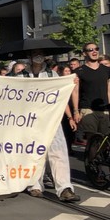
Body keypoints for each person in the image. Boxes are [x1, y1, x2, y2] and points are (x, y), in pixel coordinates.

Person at [12, 49, 80, 202]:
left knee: (58, 152)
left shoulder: (52, 75)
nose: (38, 57)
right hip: (29, 121)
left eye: (41, 54)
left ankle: (64, 188)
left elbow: (60, 95)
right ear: (30, 57)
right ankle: (34, 184)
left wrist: (70, 84)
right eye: (35, 54)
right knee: (33, 152)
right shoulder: (21, 76)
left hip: (51, 119)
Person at [72, 42, 110, 125]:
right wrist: (76, 111)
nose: (94, 51)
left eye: (96, 49)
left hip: (104, 110)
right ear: (84, 53)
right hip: (87, 110)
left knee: (106, 133)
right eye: (90, 50)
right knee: (89, 133)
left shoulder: (107, 70)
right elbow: (75, 92)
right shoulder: (78, 71)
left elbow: (109, 91)